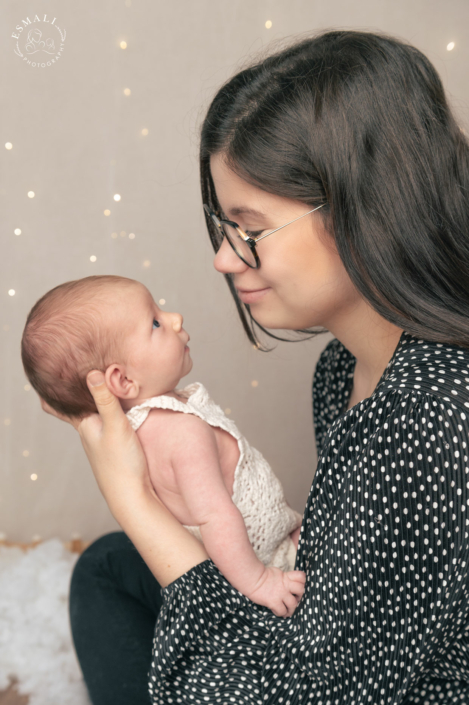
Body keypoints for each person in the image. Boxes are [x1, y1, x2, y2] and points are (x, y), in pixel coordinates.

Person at [43, 28, 469, 704]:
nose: (222, 257)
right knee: (108, 567)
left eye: (249, 227)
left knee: (133, 553)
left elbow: (315, 690)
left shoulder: (430, 416)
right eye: (222, 225)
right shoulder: (341, 367)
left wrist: (134, 499)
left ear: (366, 205)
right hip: (328, 635)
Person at [21, 275, 305, 615]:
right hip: (264, 560)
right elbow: (215, 516)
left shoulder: (133, 432)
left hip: (230, 563)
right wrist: (260, 581)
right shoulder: (181, 431)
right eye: (155, 322)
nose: (174, 319)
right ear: (123, 380)